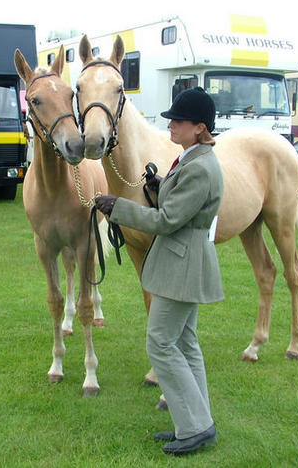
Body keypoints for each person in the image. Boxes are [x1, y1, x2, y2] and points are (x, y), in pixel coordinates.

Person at [95, 87, 224, 456]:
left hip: (182, 262)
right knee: (184, 343)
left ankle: (195, 427)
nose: (170, 124)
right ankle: (197, 422)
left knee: (161, 342)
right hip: (182, 261)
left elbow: (168, 221)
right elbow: (175, 204)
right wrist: (157, 186)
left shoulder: (199, 166)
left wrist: (118, 207)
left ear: (199, 128)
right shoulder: (190, 159)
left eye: (178, 120)